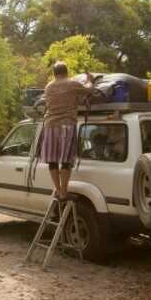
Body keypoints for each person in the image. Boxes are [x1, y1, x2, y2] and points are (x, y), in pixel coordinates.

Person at [41, 62, 93, 201]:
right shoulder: (72, 84)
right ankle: (64, 191)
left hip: (50, 126)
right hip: (66, 125)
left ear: (54, 73)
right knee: (66, 160)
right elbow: (88, 90)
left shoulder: (48, 87)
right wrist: (89, 80)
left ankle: (58, 190)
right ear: (66, 72)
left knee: (52, 160)